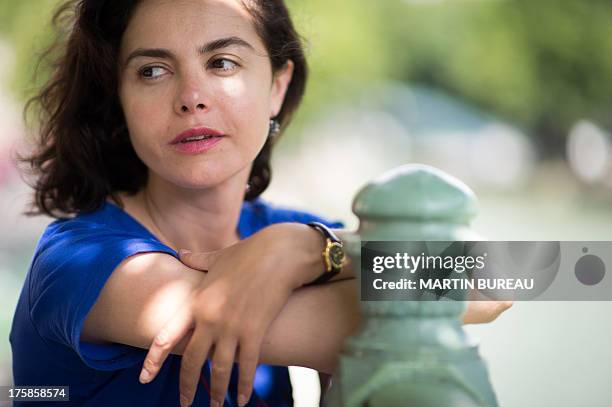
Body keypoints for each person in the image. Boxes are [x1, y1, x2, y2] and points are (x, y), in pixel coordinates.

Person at [10, 0, 512, 406]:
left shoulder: (287, 231)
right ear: (119, 100)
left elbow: (502, 276)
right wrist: (318, 257)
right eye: (153, 70)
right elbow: (434, 307)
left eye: (222, 62)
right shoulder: (79, 262)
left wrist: (312, 247)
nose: (191, 97)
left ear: (277, 86)